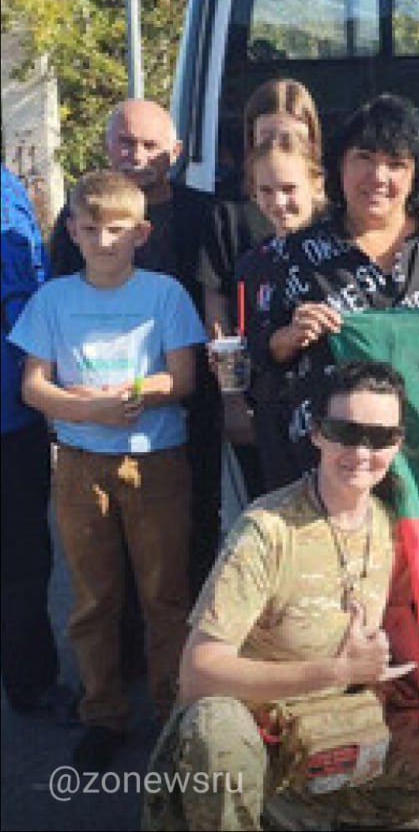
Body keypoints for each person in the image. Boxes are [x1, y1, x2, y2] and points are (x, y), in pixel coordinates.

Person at [142, 360, 419, 830]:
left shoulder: (392, 526)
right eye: (345, 432)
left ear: (398, 442)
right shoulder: (268, 530)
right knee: (216, 733)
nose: (361, 451)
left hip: (343, 722)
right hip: (260, 726)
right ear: (317, 434)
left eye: (380, 437)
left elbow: (399, 616)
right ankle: (259, 807)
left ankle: (302, 809)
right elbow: (197, 674)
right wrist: (338, 670)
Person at [9, 170, 206, 772]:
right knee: (94, 599)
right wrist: (84, 408)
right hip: (79, 465)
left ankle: (173, 711)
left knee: (165, 595)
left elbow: (185, 378)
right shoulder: (53, 299)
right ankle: (103, 713)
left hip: (156, 462)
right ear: (72, 230)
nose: (104, 241)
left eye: (118, 229)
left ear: (141, 232)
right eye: (91, 228)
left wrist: (137, 392)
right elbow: (33, 385)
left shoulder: (165, 294)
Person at [259, 93, 419, 485]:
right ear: (340, 167)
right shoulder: (298, 253)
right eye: (364, 159)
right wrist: (290, 336)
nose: (378, 177)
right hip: (335, 466)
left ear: (415, 174)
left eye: (395, 165)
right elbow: (262, 350)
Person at [49, 99, 223, 606]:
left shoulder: (202, 213)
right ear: (107, 146)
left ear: (176, 151)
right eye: (126, 142)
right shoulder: (79, 217)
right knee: (106, 547)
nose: (137, 155)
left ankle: (182, 653)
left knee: (189, 527)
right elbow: (61, 298)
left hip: (186, 398)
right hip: (98, 408)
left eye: (150, 145)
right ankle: (119, 666)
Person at [198, 78, 325, 500]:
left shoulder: (340, 231)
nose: (278, 200)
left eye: (289, 136)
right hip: (269, 405)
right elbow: (226, 310)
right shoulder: (240, 234)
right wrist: (233, 397)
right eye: (266, 135)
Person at [1, 165, 75, 721]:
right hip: (13, 413)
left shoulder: (7, 188)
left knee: (23, 556)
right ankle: (29, 680)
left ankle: (29, 677)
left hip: (14, 412)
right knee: (22, 557)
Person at [238, 132, 327, 492]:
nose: (279, 202)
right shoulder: (252, 261)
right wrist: (281, 340)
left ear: (316, 185)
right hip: (276, 419)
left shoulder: (347, 246)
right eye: (267, 191)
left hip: (337, 418)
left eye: (289, 188)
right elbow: (255, 341)